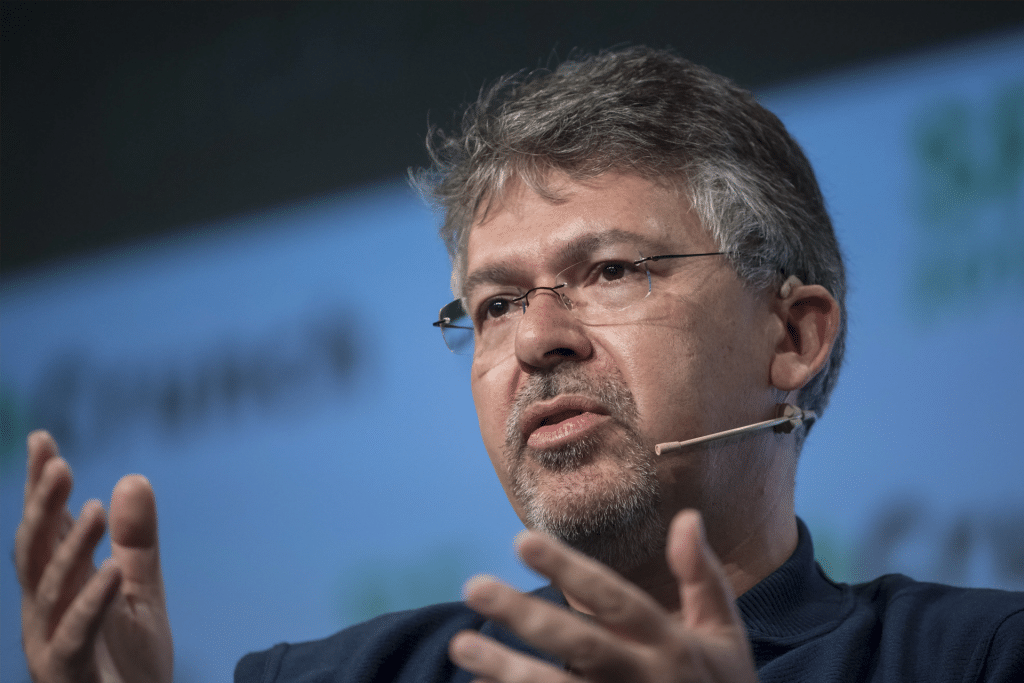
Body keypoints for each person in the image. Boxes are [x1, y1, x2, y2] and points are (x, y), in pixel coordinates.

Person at [15, 46, 1024, 683]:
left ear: (794, 336)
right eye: (494, 302)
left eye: (612, 269)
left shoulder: (978, 656)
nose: (537, 338)